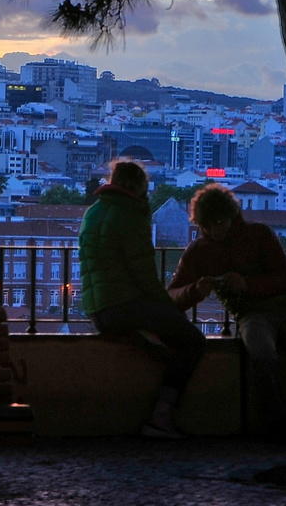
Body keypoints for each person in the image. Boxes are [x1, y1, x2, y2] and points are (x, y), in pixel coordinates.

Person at [167, 184, 286, 450]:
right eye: (208, 226)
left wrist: (246, 285)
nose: (214, 231)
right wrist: (194, 290)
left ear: (232, 216)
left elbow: (284, 278)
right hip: (252, 314)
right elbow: (174, 294)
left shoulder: (260, 235)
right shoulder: (199, 250)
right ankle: (278, 423)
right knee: (263, 356)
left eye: (220, 223)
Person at [78, 159, 205, 438]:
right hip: (125, 306)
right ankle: (161, 416)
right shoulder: (130, 216)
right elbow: (145, 275)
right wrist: (170, 307)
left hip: (98, 310)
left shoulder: (93, 212)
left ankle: (146, 339)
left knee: (161, 342)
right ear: (139, 187)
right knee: (193, 341)